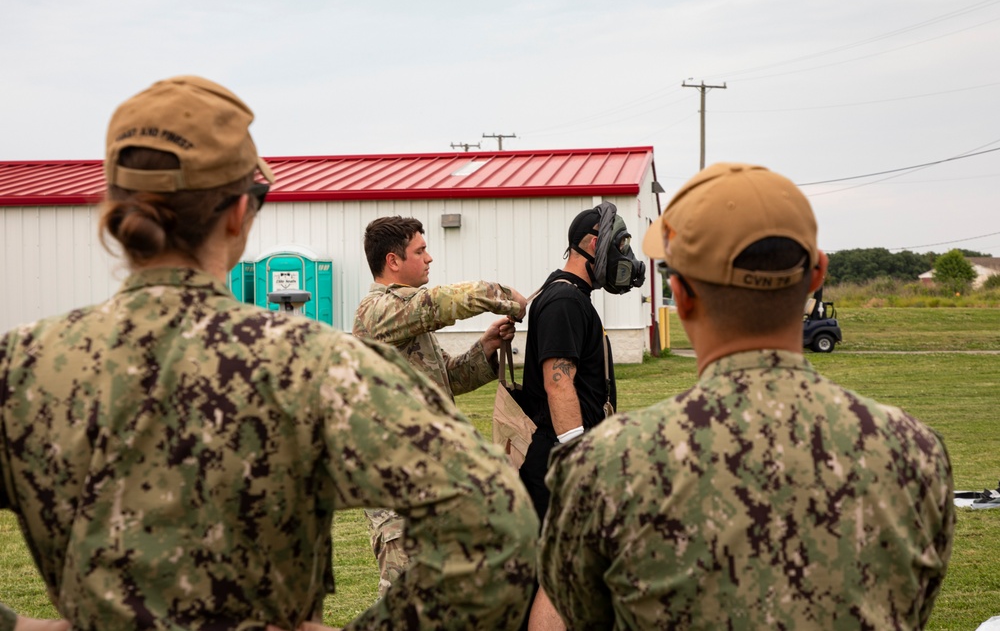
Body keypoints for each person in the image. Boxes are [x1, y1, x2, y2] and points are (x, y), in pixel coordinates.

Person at [0, 75, 538, 631]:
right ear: (240, 212)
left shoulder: (21, 366)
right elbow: (499, 520)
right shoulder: (313, 364)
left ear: (116, 212)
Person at [539, 162, 955, 629]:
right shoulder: (915, 454)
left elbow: (578, 612)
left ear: (681, 291)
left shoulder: (605, 466)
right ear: (816, 274)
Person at [353, 215, 528, 597]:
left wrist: (485, 348)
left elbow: (447, 378)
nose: (429, 258)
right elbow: (438, 303)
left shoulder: (405, 317)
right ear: (393, 261)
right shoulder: (377, 311)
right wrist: (500, 295)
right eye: (420, 250)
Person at [518, 202, 645, 630]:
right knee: (562, 573)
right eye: (620, 244)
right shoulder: (564, 301)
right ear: (593, 243)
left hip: (566, 457)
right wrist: (577, 459)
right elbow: (558, 382)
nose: (625, 257)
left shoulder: (573, 298)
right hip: (561, 462)